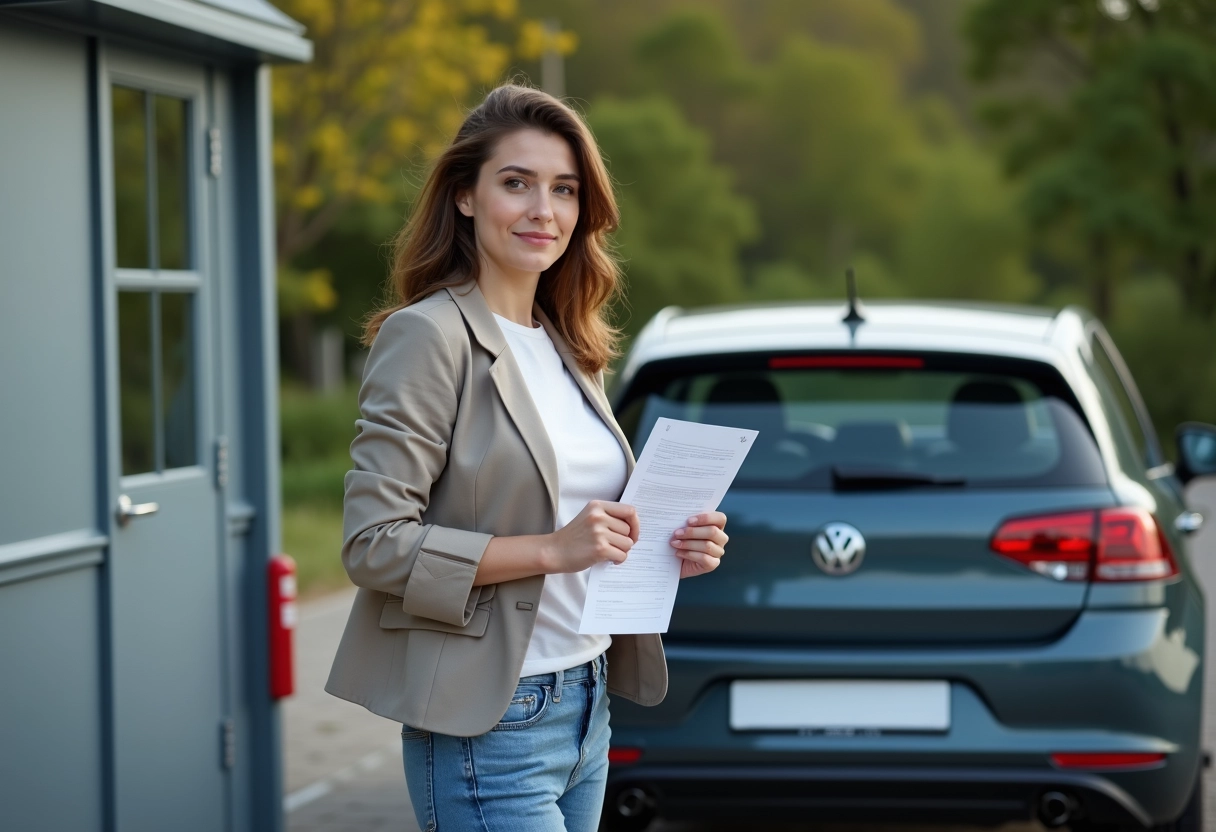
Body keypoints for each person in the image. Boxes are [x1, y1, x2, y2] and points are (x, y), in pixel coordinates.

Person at [324, 83, 730, 832]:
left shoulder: (571, 345)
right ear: (465, 196)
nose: (544, 210)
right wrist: (551, 549)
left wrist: (670, 545)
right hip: (492, 718)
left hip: (587, 700)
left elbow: (583, 523)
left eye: (564, 189)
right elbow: (373, 545)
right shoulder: (429, 337)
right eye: (517, 183)